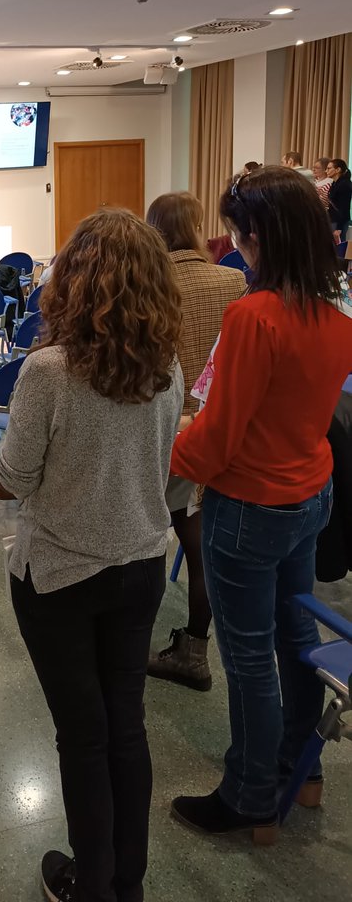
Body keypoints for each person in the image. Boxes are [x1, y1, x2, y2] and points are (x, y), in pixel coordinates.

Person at [0, 209, 183, 902]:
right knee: (125, 727)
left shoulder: (47, 372)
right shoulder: (168, 366)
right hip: (140, 566)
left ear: (70, 281)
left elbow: (15, 479)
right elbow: (164, 469)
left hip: (60, 577)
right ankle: (125, 883)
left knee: (84, 735)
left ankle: (91, 885)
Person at [169, 167, 352, 842]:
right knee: (295, 634)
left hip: (248, 504)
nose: (235, 244)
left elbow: (220, 434)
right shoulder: (335, 317)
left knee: (246, 657)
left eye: (241, 234)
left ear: (260, 237)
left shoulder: (253, 317)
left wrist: (169, 460)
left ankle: (247, 794)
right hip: (308, 492)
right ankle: (303, 772)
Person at [145, 192, 246, 690]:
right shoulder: (234, 281)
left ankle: (128, 640)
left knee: (139, 542)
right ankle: (194, 650)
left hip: (153, 425)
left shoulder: (146, 280)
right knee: (199, 545)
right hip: (212, 428)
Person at [326, 157, 351, 238]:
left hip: (339, 222)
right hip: (333, 220)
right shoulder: (334, 183)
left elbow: (344, 207)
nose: (326, 171)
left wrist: (339, 228)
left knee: (338, 248)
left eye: (329, 168)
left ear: (338, 170)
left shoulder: (345, 184)